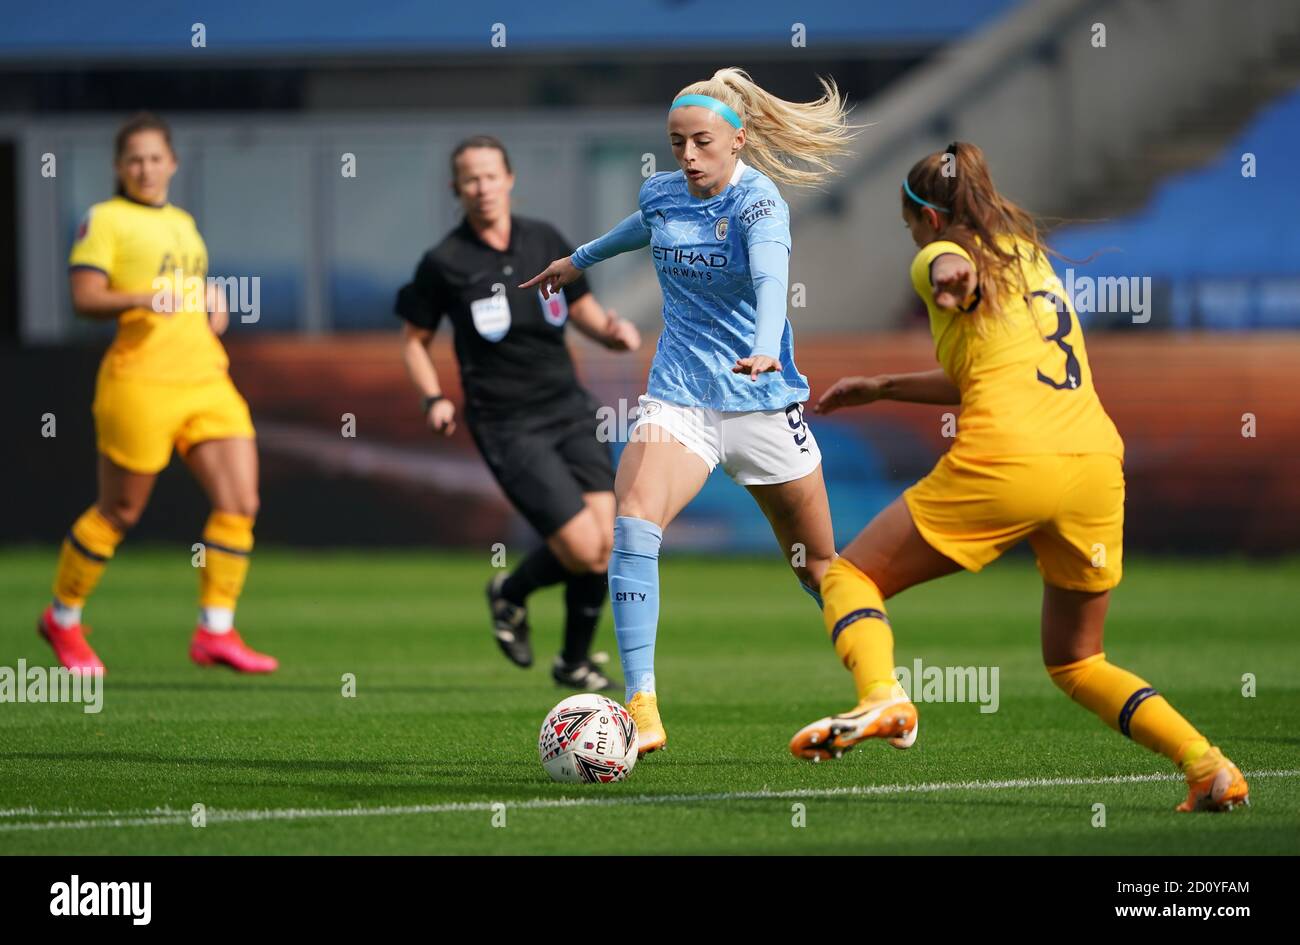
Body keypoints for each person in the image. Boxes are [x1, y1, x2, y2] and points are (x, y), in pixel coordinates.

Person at [790, 141, 1248, 813]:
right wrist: (884, 385)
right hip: (1093, 463)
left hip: (1009, 459)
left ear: (930, 218)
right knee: (1077, 659)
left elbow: (948, 267)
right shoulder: (1027, 259)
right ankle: (1209, 767)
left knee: (847, 575)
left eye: (910, 225)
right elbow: (989, 370)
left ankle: (883, 695)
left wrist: (951, 278)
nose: (913, 240)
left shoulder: (940, 256)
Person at [522, 68, 859, 753]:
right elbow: (642, 225)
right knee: (635, 524)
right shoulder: (664, 191)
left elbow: (771, 280)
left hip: (762, 402)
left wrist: (768, 346)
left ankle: (881, 687)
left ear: (738, 139)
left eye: (701, 141)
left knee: (818, 566)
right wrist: (576, 260)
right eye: (676, 142)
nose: (687, 155)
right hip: (682, 396)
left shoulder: (761, 205)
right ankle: (642, 705)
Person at [396, 135, 641, 690]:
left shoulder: (545, 239)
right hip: (507, 422)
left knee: (608, 541)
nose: (482, 188)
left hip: (569, 406)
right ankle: (510, 594)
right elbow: (414, 340)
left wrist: (610, 331)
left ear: (510, 180)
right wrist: (433, 396)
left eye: (490, 175)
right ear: (455, 189)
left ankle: (572, 661)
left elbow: (580, 307)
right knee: (581, 546)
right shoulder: (445, 262)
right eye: (470, 179)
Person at [39, 112, 276, 674]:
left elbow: (185, 284)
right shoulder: (105, 219)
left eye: (154, 157)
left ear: (172, 162)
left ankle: (215, 631)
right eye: (134, 159)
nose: (145, 168)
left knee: (240, 502)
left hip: (206, 378)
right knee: (120, 509)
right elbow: (85, 297)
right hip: (140, 381)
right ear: (119, 167)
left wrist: (212, 294)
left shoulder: (184, 222)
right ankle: (62, 618)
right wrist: (144, 296)